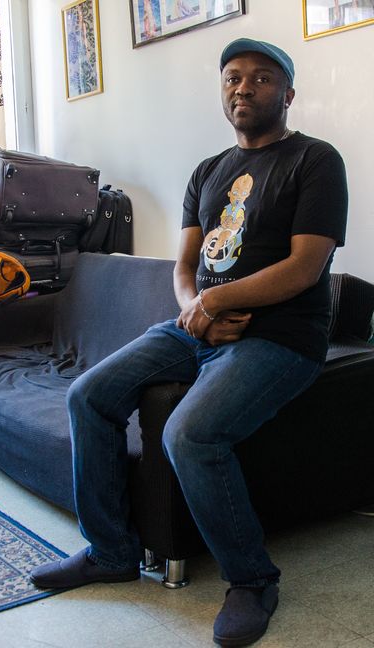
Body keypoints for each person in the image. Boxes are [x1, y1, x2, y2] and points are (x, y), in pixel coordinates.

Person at [30, 38, 348, 646]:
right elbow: (184, 268)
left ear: (287, 94)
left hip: (280, 336)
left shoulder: (315, 160)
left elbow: (308, 267)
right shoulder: (208, 171)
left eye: (260, 78)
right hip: (196, 328)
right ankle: (111, 551)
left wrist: (218, 302)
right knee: (89, 396)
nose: (243, 88)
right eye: (232, 77)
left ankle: (252, 581)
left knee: (190, 432)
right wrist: (194, 309)